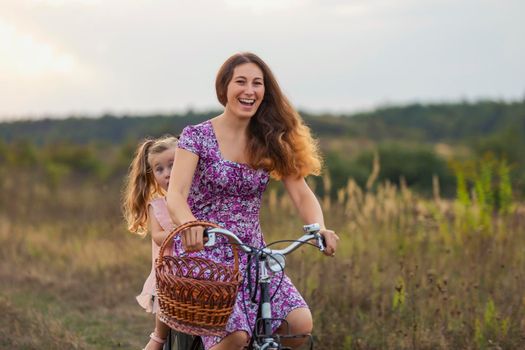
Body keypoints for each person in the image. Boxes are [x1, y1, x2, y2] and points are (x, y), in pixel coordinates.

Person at [166, 52, 340, 350]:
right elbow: (176, 194)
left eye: (257, 83)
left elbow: (300, 191)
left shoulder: (269, 139)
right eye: (241, 82)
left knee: (298, 325)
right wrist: (189, 225)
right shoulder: (196, 136)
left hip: (253, 253)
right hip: (204, 249)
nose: (250, 90)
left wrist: (319, 228)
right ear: (224, 88)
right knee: (235, 337)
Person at [122, 136, 197, 350]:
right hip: (169, 269)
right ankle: (158, 338)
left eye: (173, 166)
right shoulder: (157, 205)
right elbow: (156, 235)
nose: (167, 173)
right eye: (160, 169)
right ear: (153, 176)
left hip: (196, 267)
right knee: (165, 306)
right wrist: (180, 231)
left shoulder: (196, 198)